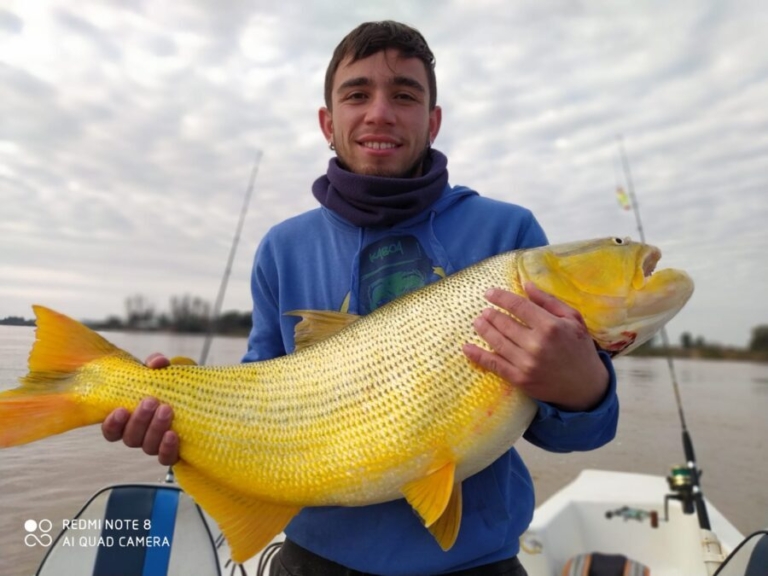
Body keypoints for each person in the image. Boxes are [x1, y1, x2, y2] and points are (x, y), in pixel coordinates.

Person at [102, 21, 618, 576]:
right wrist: (180, 422)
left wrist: (583, 387)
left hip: (478, 562)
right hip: (314, 557)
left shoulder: (510, 235)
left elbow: (571, 431)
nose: (379, 112)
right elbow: (262, 390)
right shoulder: (283, 247)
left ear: (433, 120)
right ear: (328, 122)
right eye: (357, 94)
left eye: (404, 95)